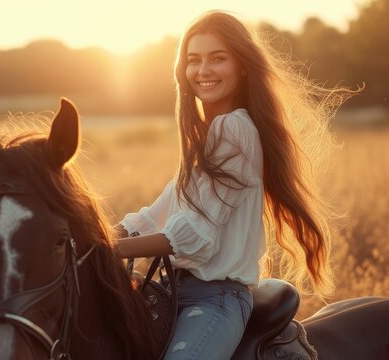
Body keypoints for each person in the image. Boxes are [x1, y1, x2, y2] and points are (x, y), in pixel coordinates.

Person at [114, 11, 355, 360]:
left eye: (218, 58)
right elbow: (155, 215)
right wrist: (101, 233)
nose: (203, 70)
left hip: (215, 299)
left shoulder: (234, 129)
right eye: (193, 60)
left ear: (242, 65)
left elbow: (191, 237)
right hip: (174, 292)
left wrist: (111, 249)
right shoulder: (205, 139)